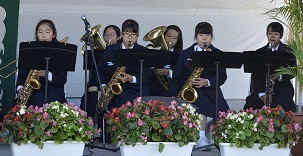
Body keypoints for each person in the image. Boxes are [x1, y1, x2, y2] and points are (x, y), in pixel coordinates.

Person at [170, 22, 230, 149]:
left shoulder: (217, 54)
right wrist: (173, 96)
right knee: (201, 103)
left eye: (207, 35)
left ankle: (219, 138)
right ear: (195, 37)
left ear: (211, 37)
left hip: (211, 90)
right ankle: (201, 138)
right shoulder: (185, 54)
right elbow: (176, 77)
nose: (204, 38)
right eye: (201, 35)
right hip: (190, 90)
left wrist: (207, 82)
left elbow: (222, 76)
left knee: (225, 112)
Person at [97, 19, 151, 109]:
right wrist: (103, 85)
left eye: (133, 34)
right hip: (113, 92)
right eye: (127, 33)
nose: (129, 37)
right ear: (122, 34)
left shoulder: (144, 52)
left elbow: (147, 76)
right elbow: (100, 70)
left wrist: (131, 78)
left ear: (137, 36)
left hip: (136, 90)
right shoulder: (110, 50)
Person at [243, 22, 296, 112]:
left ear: (281, 36)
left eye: (276, 34)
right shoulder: (260, 52)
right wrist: (261, 94)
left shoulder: (288, 51)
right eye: (270, 33)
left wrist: (279, 76)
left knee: (281, 106)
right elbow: (256, 76)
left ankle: (282, 125)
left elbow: (293, 71)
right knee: (251, 103)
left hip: (282, 91)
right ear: (267, 34)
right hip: (264, 90)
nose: (272, 36)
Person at [15, 19, 67, 107]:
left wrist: (48, 75)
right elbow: (21, 75)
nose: (43, 35)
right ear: (37, 34)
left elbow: (62, 79)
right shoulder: (30, 50)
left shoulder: (60, 52)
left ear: (53, 34)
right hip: (32, 93)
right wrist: (20, 88)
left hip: (53, 93)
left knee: (39, 99)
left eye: (47, 32)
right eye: (40, 32)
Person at [80, 24, 121, 117]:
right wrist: (97, 86)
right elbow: (96, 72)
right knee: (87, 97)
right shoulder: (99, 53)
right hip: (101, 85)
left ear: (118, 37)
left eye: (112, 35)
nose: (108, 37)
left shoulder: (119, 51)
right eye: (106, 35)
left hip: (114, 85)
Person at [149, 25, 183, 96]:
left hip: (170, 90)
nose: (171, 40)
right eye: (168, 36)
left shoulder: (180, 55)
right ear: (164, 36)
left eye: (175, 38)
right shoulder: (155, 51)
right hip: (152, 88)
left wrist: (168, 73)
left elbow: (182, 74)